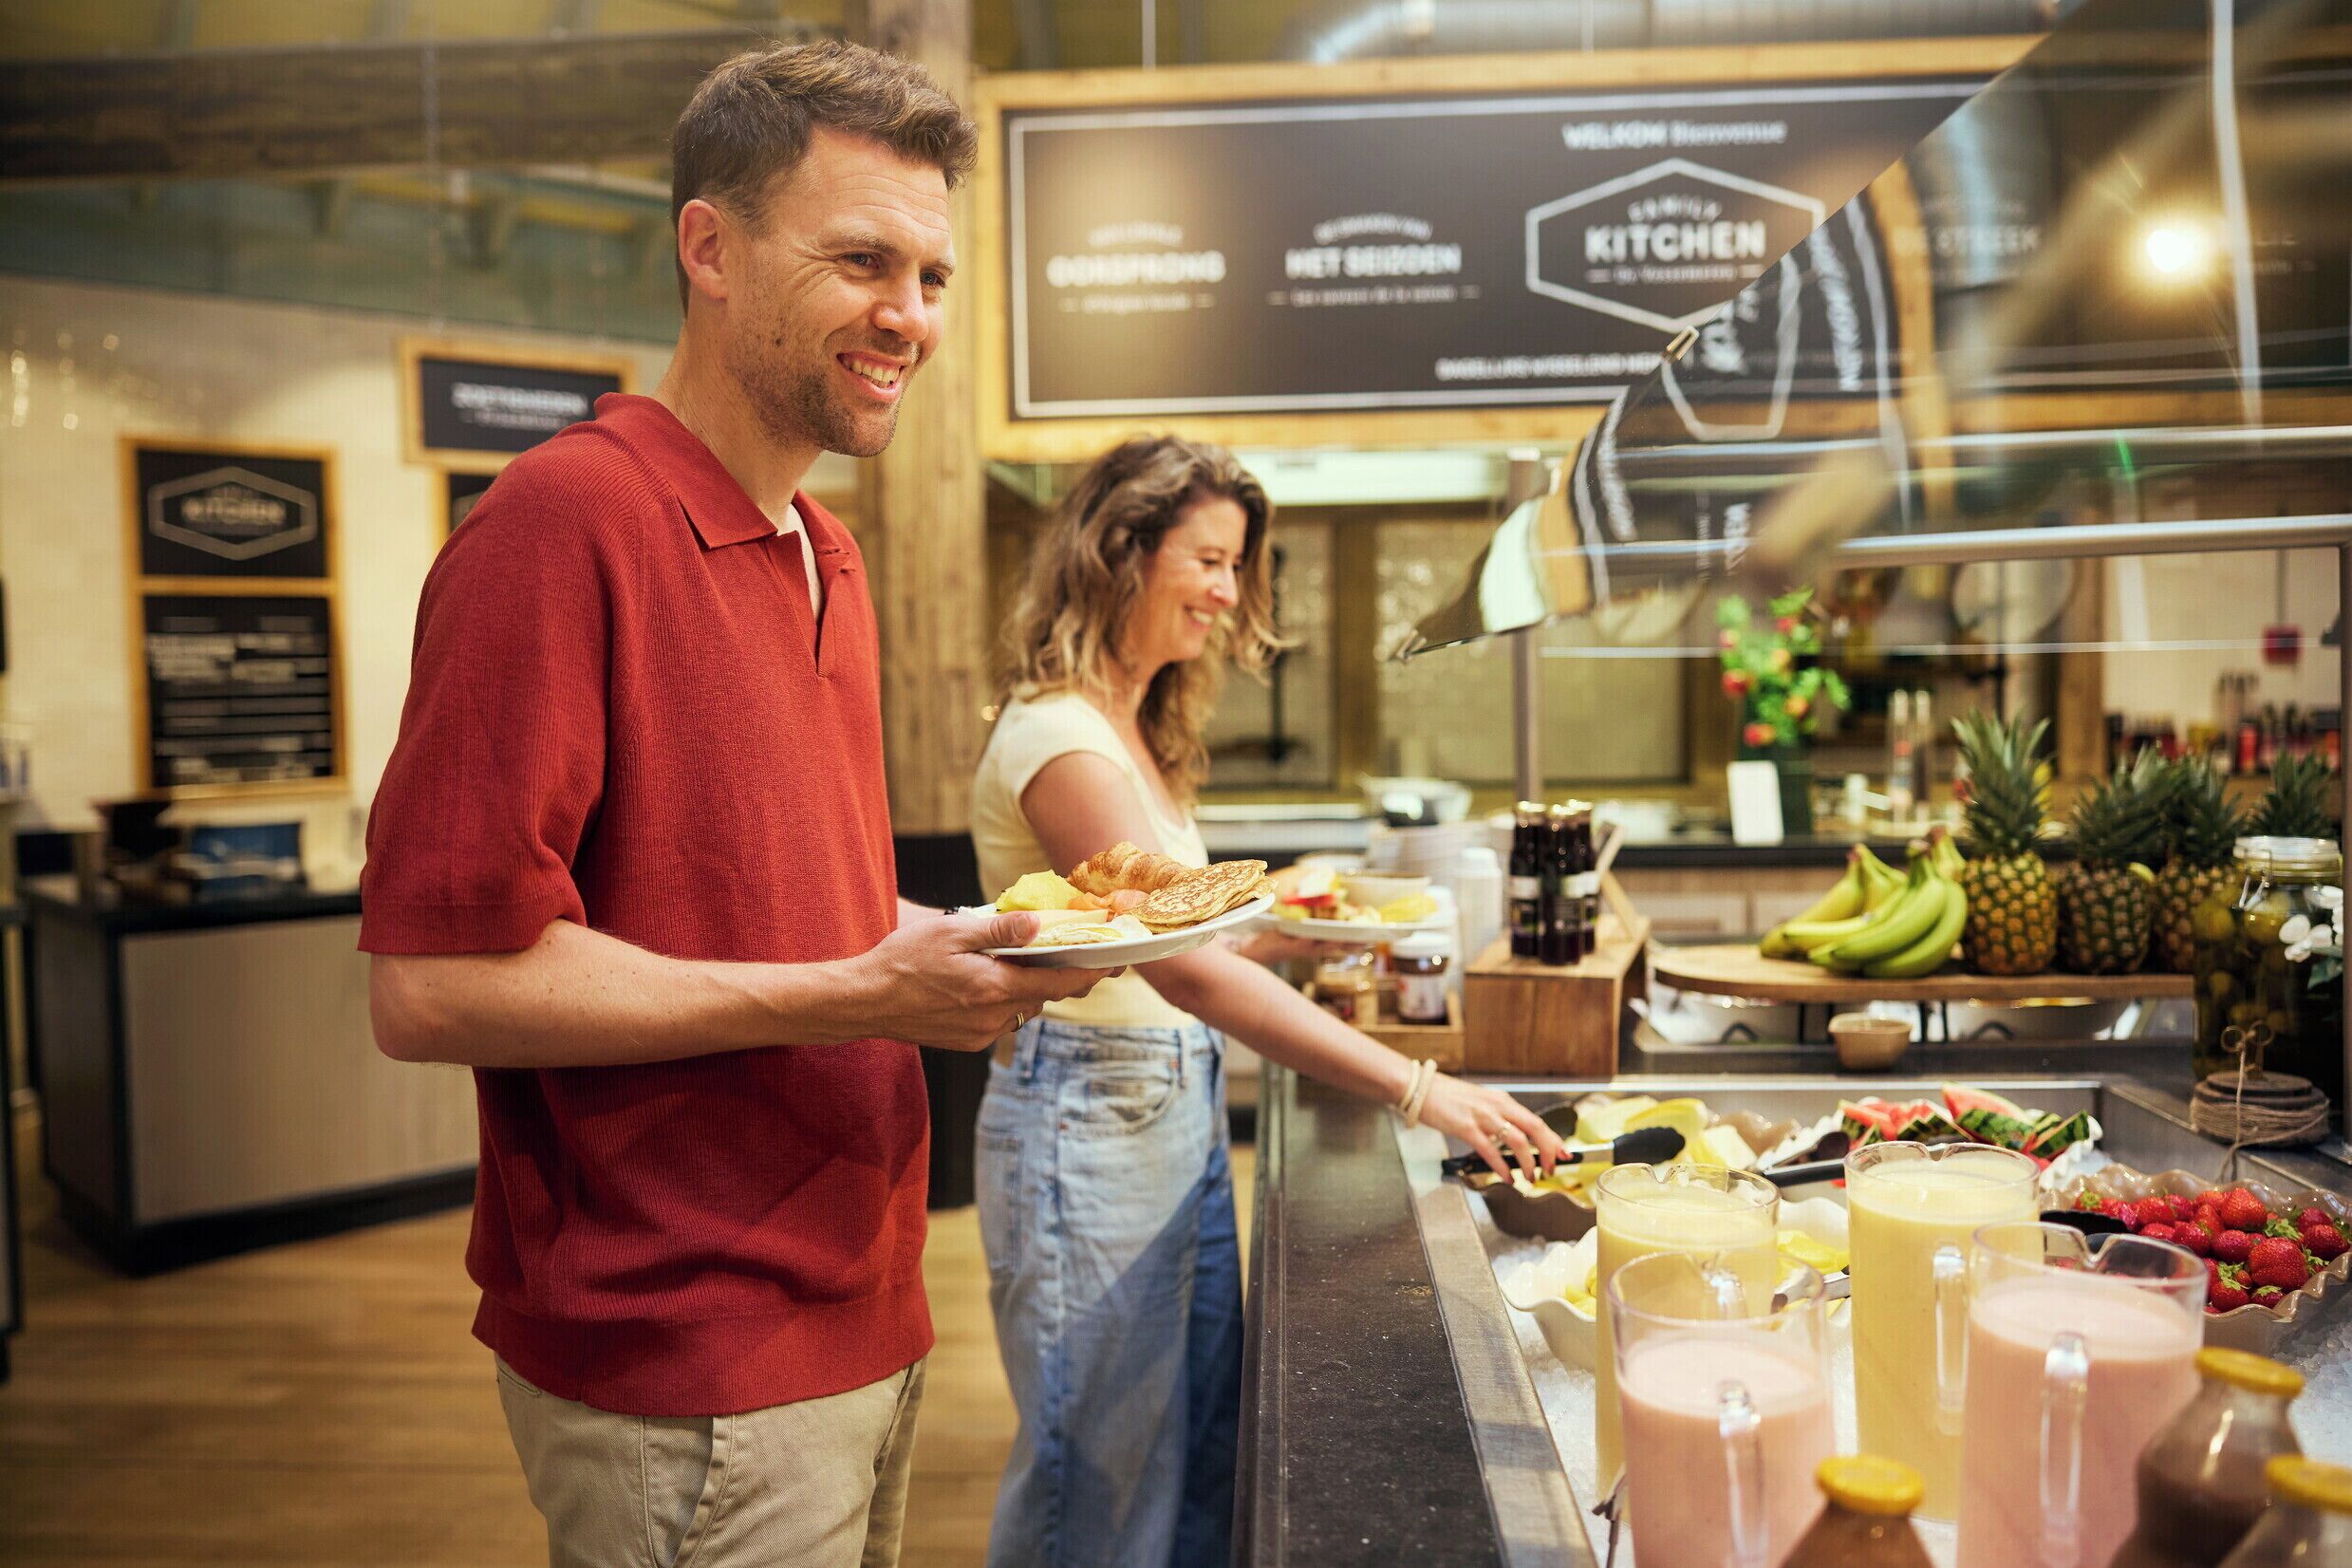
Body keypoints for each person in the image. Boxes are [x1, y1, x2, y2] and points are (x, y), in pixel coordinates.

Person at [360, 41, 1107, 1568]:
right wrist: (852, 994)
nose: (910, 315)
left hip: (869, 1307)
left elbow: (791, 906)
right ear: (709, 246)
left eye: (933, 275)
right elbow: (432, 984)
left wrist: (958, 945)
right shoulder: (561, 526)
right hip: (684, 1354)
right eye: (860, 260)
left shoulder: (824, 551)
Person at [968, 435, 1570, 1568]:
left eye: (1237, 565)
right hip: (1086, 1124)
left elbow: (1181, 936)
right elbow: (1179, 967)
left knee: (1195, 1454)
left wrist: (1298, 923)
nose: (1226, 591)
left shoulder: (1133, 732)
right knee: (1094, 1483)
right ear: (1119, 552)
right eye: (1206, 558)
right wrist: (1419, 1083)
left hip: (1161, 1108)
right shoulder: (1061, 738)